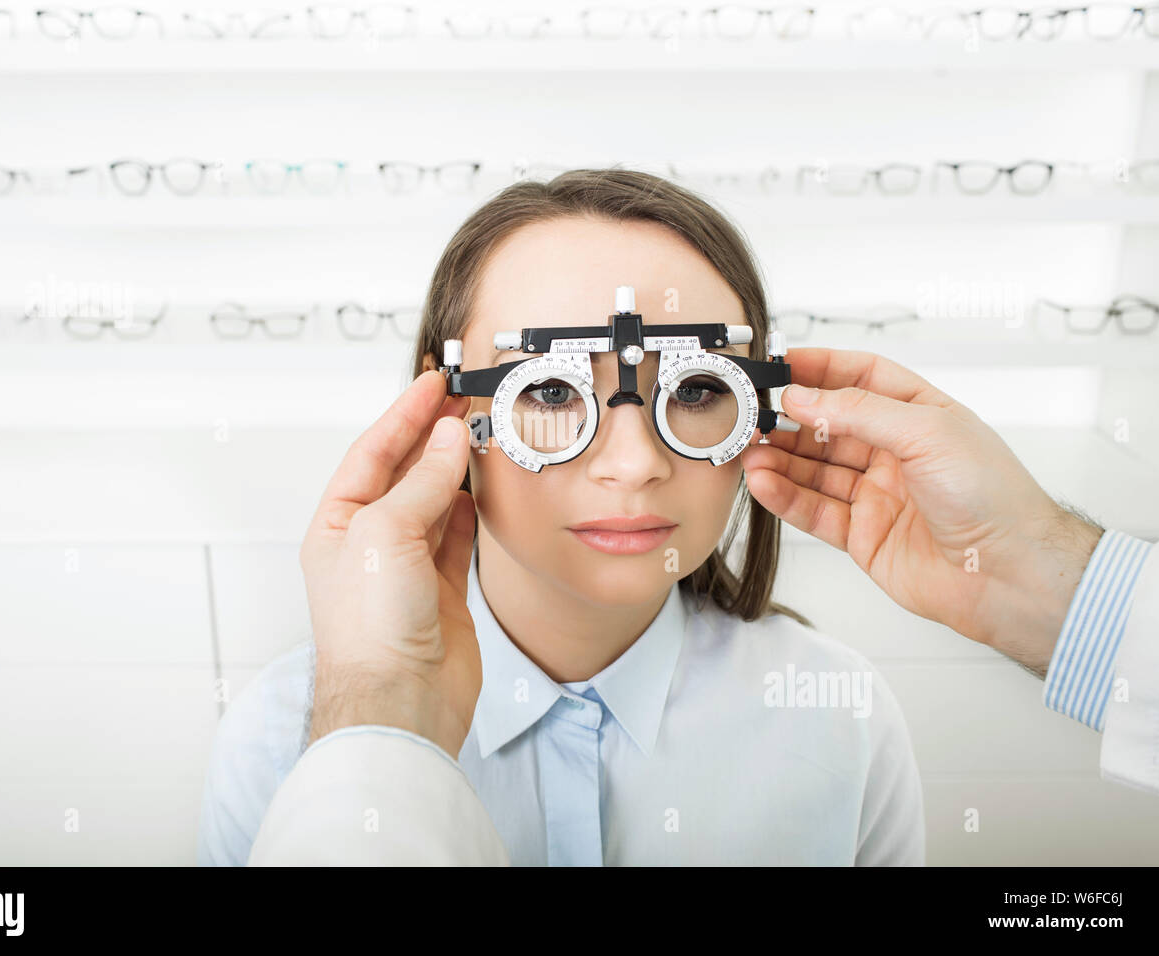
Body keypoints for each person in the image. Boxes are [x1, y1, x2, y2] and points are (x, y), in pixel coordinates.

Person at [199, 169, 927, 866]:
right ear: (448, 404)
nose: (635, 463)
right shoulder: (285, 736)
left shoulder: (838, 719)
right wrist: (372, 728)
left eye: (699, 389)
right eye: (551, 394)